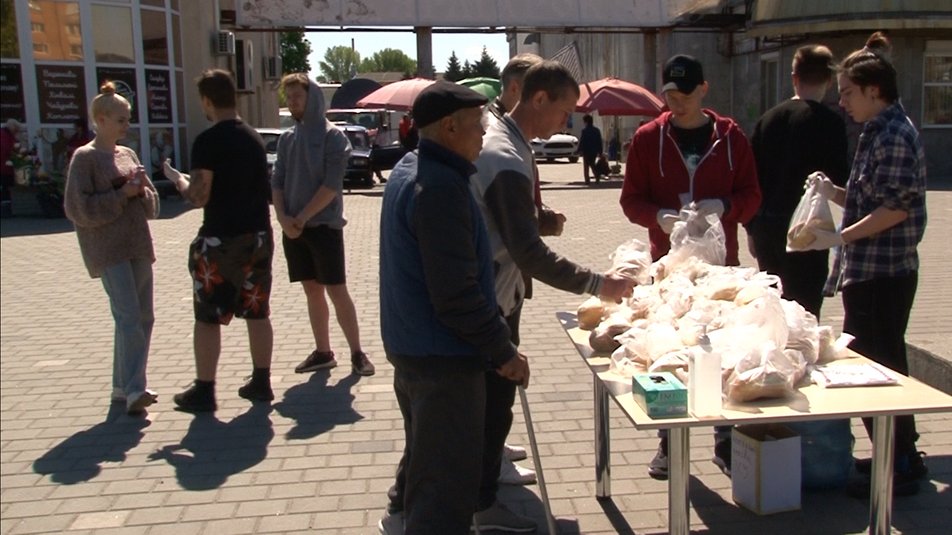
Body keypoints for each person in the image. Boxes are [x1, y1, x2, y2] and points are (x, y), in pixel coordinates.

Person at [468, 60, 636, 532]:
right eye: (565, 111)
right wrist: (600, 284)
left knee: (493, 405)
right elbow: (527, 251)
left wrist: (537, 219)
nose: (568, 123)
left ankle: (482, 494)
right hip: (489, 300)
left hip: (500, 292)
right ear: (538, 99)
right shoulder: (504, 154)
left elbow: (507, 223)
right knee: (491, 406)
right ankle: (483, 508)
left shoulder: (509, 141)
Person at [377, 80, 529, 535]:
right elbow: (457, 293)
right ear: (448, 127)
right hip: (443, 359)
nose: (484, 134)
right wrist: (504, 351)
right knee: (445, 493)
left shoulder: (413, 167)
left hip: (417, 350)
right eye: (477, 125)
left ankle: (405, 516)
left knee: (429, 469)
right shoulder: (439, 185)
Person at [619, 54, 761, 479]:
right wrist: (658, 216)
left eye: (683, 94)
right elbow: (631, 200)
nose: (675, 103)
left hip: (722, 270)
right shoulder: (648, 139)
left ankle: (724, 438)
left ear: (704, 89)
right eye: (669, 95)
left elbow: (753, 195)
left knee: (719, 350)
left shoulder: (731, 137)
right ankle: (669, 442)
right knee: (668, 355)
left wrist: (727, 207)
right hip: (668, 267)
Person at [803, 32, 928, 497]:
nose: (842, 101)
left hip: (885, 274)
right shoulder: (877, 130)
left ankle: (899, 466)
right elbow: (864, 200)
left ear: (874, 90)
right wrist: (829, 191)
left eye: (850, 92)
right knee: (881, 365)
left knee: (882, 370)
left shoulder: (894, 134)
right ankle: (899, 457)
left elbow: (895, 208)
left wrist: (842, 236)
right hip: (868, 272)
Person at [163, 69, 275, 413]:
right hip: (258, 236)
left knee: (208, 316)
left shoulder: (208, 141)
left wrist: (178, 181)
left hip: (221, 240)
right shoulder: (254, 138)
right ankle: (261, 381)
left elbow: (199, 195)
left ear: (207, 101)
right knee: (257, 310)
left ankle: (205, 389)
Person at [63, 82, 159, 416]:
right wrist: (121, 195)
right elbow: (78, 209)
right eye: (120, 119)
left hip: (137, 244)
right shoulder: (85, 158)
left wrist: (142, 190)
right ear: (101, 119)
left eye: (127, 118)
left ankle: (123, 386)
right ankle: (135, 389)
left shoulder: (127, 155)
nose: (126, 125)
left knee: (143, 316)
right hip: (107, 248)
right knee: (128, 315)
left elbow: (152, 206)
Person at [272, 73, 375, 377]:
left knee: (337, 290)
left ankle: (357, 353)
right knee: (311, 291)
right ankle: (323, 352)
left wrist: (302, 217)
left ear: (312, 98)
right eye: (288, 97)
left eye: (297, 97)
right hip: (294, 230)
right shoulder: (288, 138)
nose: (292, 103)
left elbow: (331, 186)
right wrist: (282, 218)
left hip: (324, 227)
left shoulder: (333, 138)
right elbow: (277, 180)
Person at [748, 44, 850, 317]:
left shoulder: (767, 120)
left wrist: (751, 229)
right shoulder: (831, 123)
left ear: (794, 77)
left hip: (767, 228)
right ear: (829, 81)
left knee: (774, 308)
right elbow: (841, 177)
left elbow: (751, 179)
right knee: (804, 313)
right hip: (807, 231)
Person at [492, 53, 566, 239]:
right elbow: (505, 210)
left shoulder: (512, 128)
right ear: (515, 88)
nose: (542, 102)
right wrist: (547, 221)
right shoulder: (494, 132)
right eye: (538, 94)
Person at [1, 118, 22, 202]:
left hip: (7, 168)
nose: (17, 132)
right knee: (6, 187)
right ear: (13, 128)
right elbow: (8, 149)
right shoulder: (4, 136)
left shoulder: (8, 135)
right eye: (16, 130)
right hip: (4, 168)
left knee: (7, 187)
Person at [579, 114, 604, 184]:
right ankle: (597, 176)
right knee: (592, 164)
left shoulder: (584, 131)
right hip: (594, 151)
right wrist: (600, 151)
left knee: (586, 166)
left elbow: (582, 141)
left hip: (586, 151)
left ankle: (587, 180)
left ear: (586, 122)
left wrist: (579, 150)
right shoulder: (596, 130)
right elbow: (599, 141)